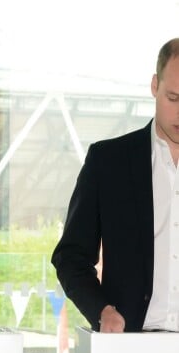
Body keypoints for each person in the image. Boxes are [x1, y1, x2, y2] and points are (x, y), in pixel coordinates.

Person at [52, 38, 179, 333]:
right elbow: (70, 257)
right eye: (173, 98)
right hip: (131, 349)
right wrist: (102, 310)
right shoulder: (109, 162)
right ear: (154, 86)